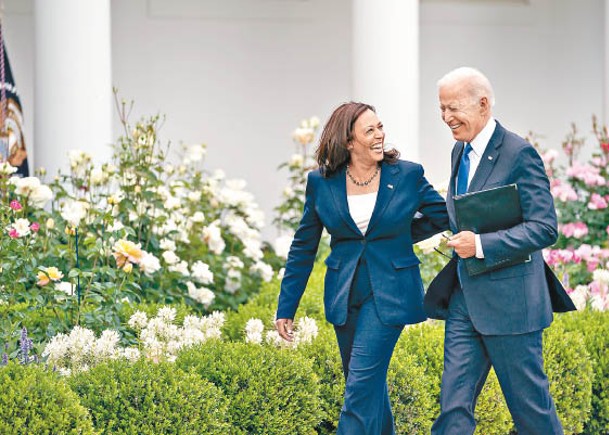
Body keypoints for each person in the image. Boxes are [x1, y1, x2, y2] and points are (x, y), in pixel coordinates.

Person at [275, 102, 448, 434]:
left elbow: (442, 215)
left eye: (380, 127)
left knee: (358, 390)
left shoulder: (407, 174)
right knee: (367, 386)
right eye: (370, 130)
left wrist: (397, 238)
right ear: (348, 141)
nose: (380, 135)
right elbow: (303, 246)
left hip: (391, 294)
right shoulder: (321, 182)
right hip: (345, 295)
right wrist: (287, 307)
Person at [426, 67, 575, 435]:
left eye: (453, 108)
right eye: (441, 108)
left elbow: (544, 227)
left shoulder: (519, 153)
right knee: (453, 410)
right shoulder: (458, 150)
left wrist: (480, 244)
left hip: (513, 305)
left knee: (532, 416)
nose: (446, 117)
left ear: (483, 103)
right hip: (465, 300)